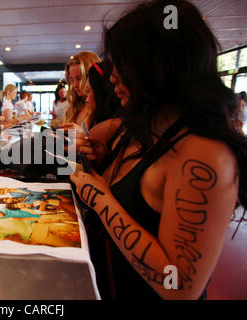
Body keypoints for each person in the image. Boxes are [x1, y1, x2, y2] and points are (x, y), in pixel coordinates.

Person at [71, 0, 247, 300]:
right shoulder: (137, 126)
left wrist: (98, 196)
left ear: (161, 65)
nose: (113, 78)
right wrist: (94, 155)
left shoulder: (204, 155)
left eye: (123, 65)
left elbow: (179, 287)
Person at [61, 51, 100, 130]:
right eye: (72, 80)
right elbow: (62, 141)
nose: (75, 85)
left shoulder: (104, 109)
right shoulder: (70, 110)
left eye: (79, 78)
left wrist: (82, 133)